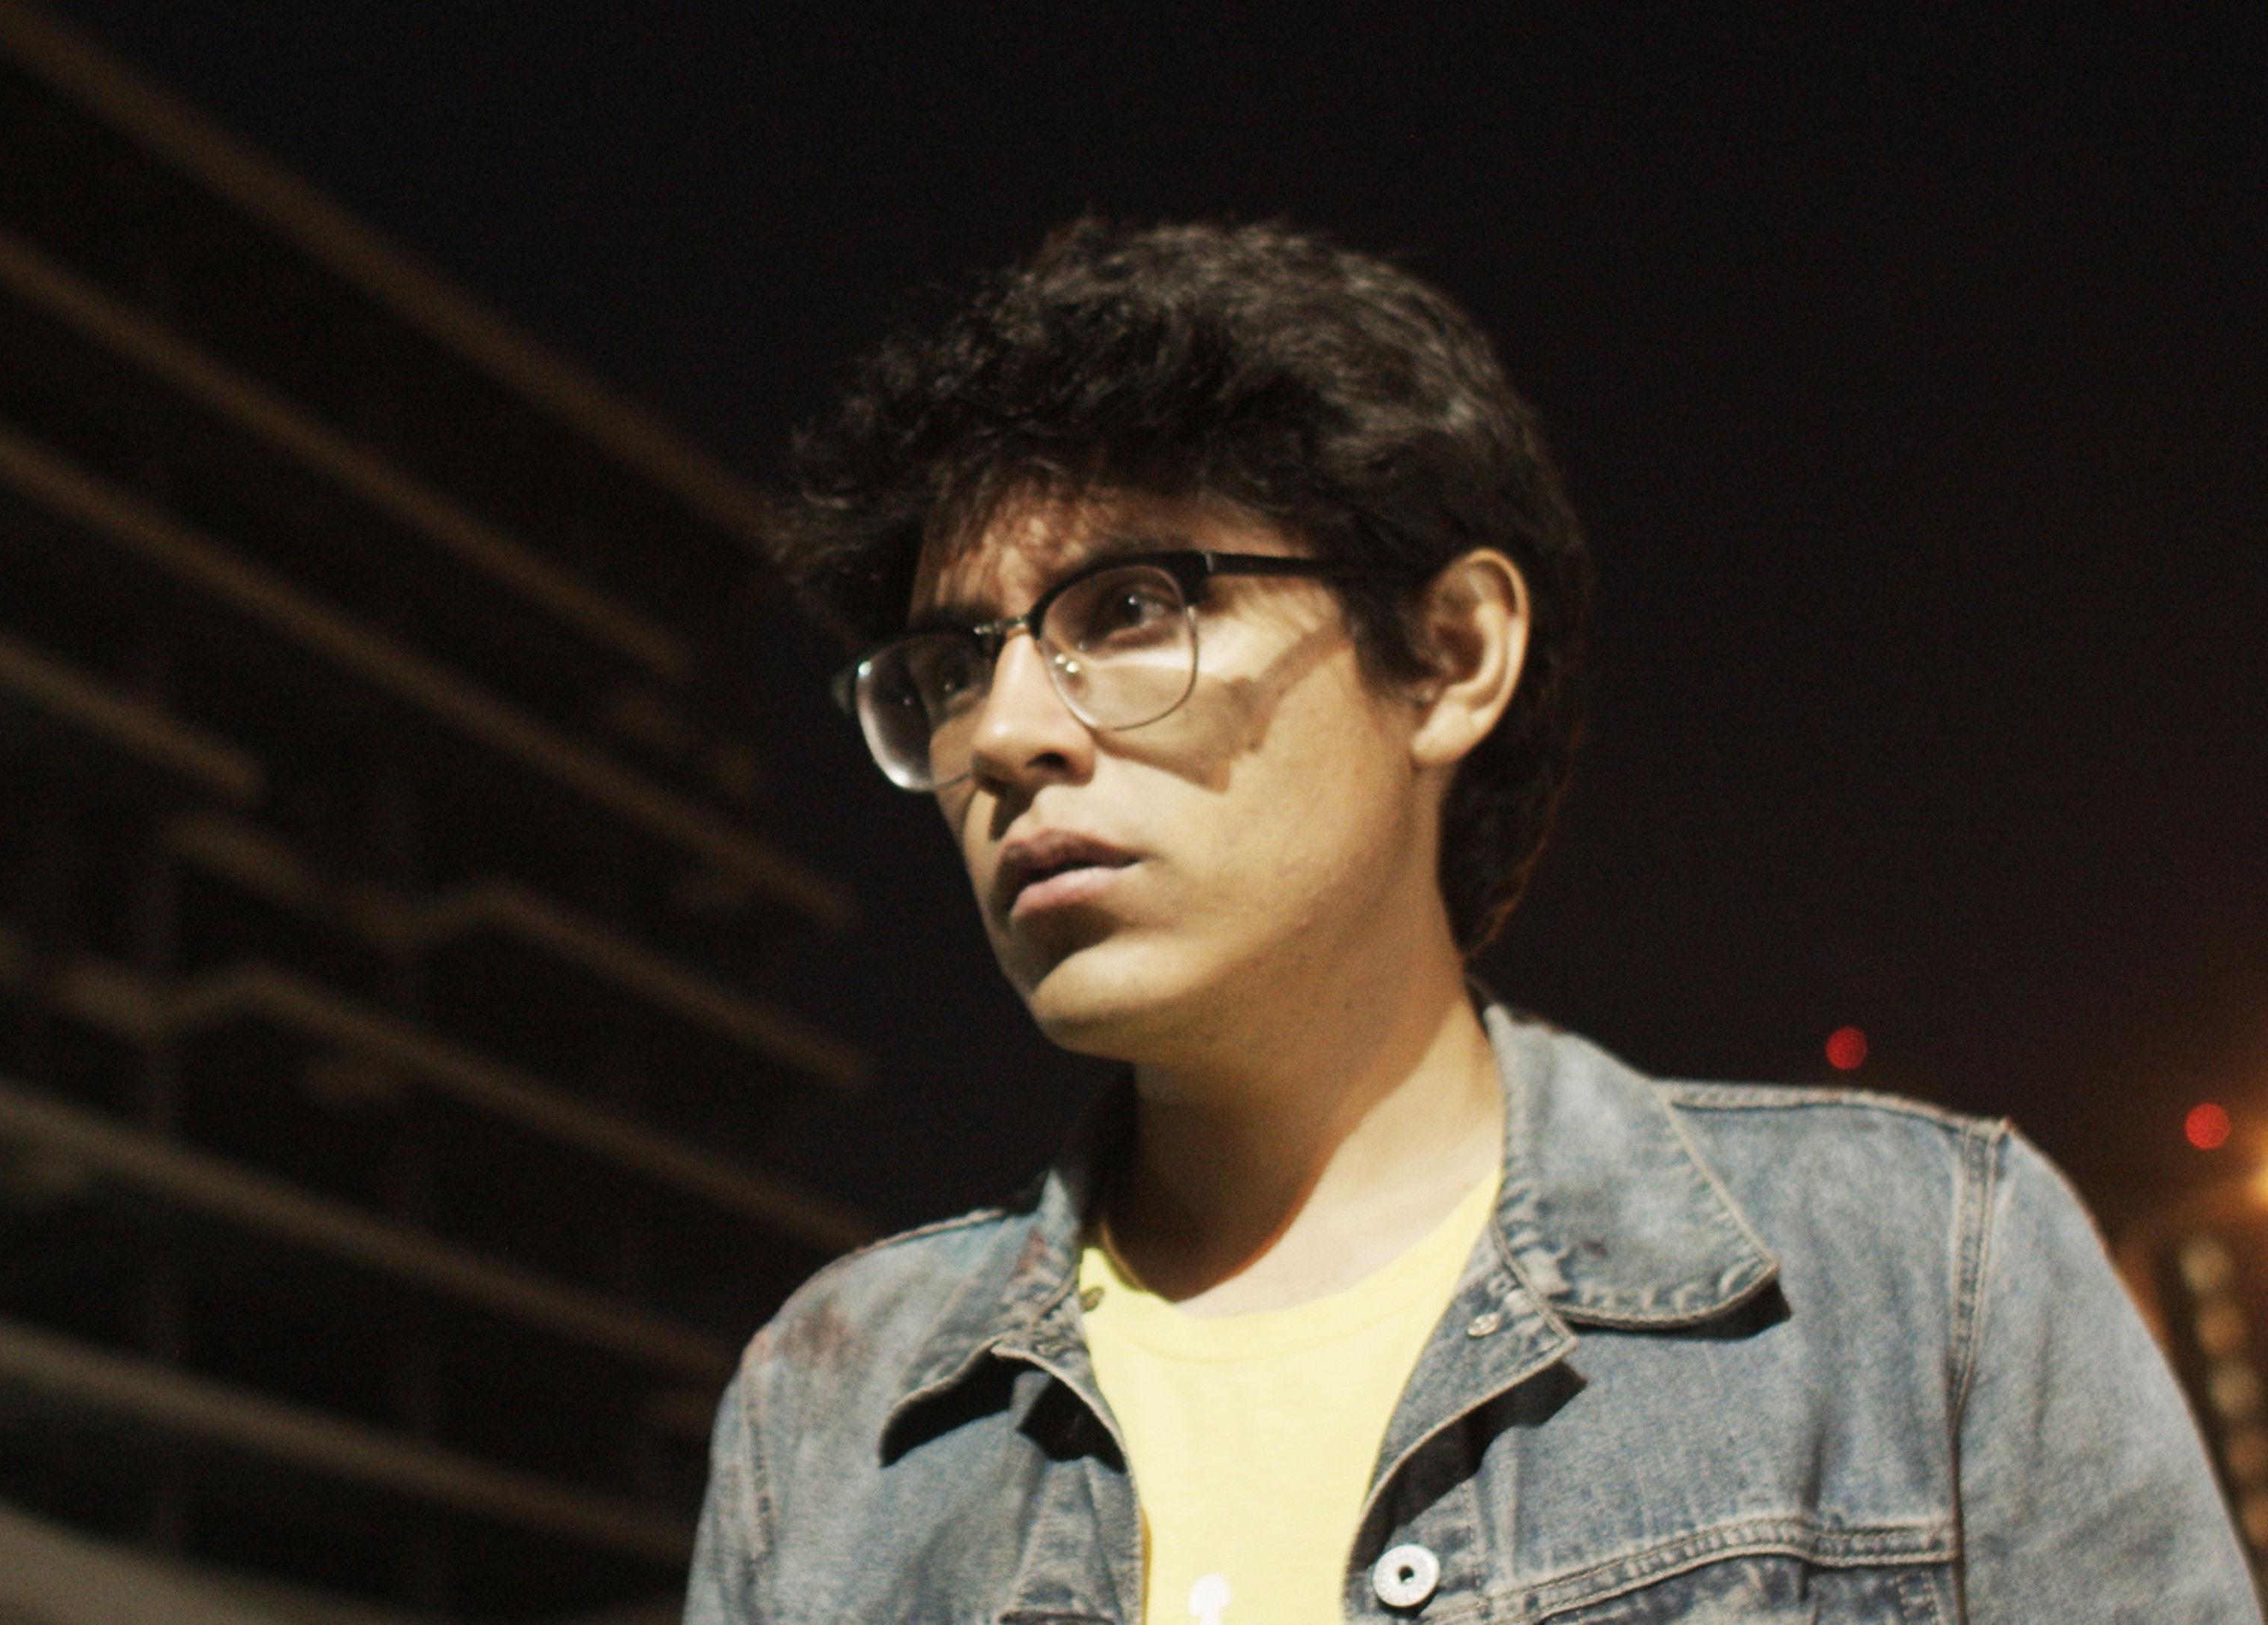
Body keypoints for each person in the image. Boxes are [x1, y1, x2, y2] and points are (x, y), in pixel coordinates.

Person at [686, 220, 2256, 1623]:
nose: (1008, 733)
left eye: (1134, 608)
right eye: (953, 668)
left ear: (1446, 656)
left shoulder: (1918, 1278)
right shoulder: (837, 1416)